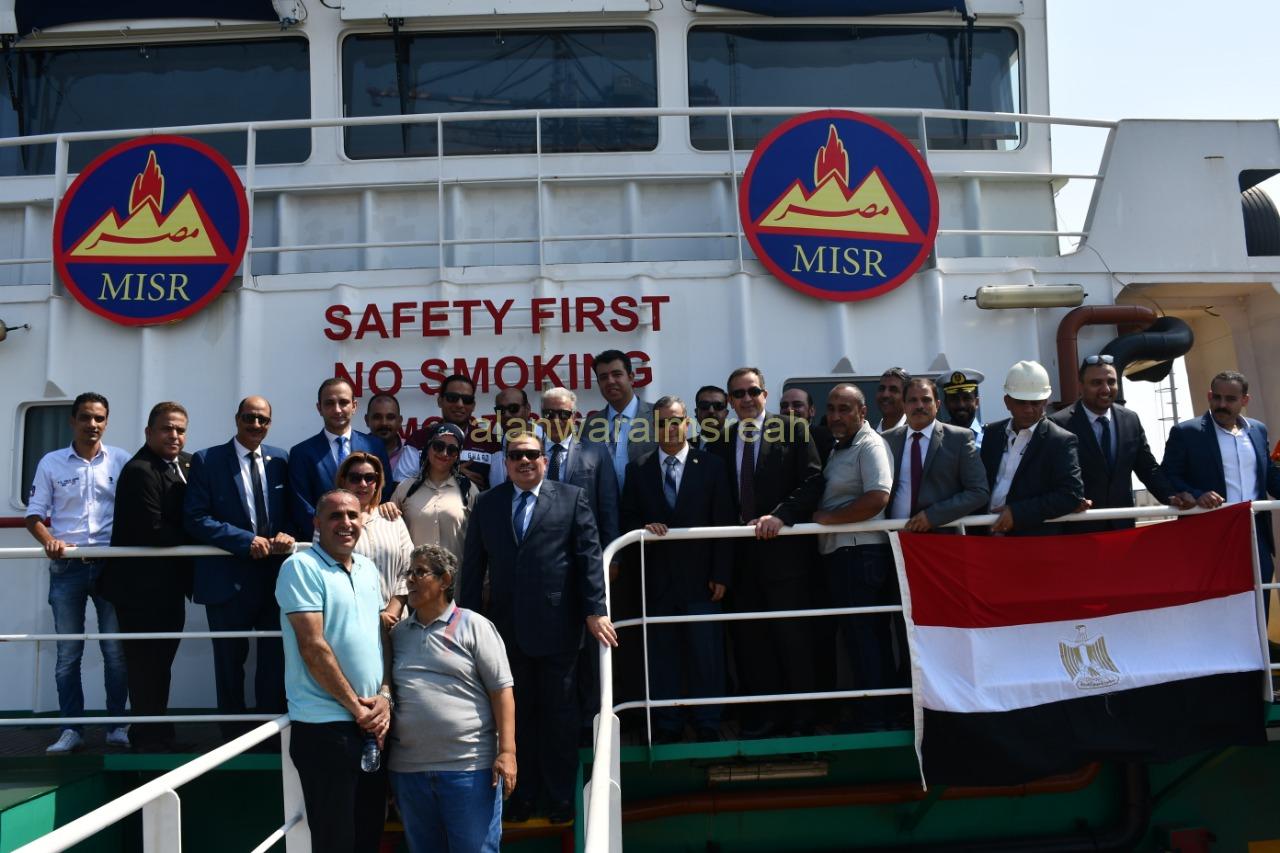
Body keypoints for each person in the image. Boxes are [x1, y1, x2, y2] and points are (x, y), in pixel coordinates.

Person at [459, 433, 616, 824]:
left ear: (545, 460)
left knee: (559, 718)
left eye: (532, 454)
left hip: (558, 628)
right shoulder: (488, 503)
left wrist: (595, 610)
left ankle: (560, 798)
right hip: (505, 631)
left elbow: (588, 558)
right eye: (516, 455)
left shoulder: (571, 498)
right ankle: (522, 796)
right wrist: (467, 622)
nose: (524, 461)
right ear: (506, 462)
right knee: (517, 717)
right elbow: (474, 566)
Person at [764, 384, 895, 730]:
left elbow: (878, 497)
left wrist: (828, 519)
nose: (836, 416)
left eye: (845, 409)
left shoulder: (870, 445)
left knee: (864, 639)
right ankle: (872, 714)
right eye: (832, 409)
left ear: (863, 412)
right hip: (842, 553)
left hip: (860, 552)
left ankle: (875, 720)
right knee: (856, 638)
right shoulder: (840, 447)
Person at [707, 366, 822, 738]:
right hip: (741, 561)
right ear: (730, 400)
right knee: (751, 643)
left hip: (785, 557)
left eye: (753, 391)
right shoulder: (720, 441)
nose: (747, 399)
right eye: (739, 394)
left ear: (765, 395)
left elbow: (813, 480)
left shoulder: (793, 430)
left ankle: (802, 720)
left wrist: (781, 516)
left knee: (794, 641)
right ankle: (763, 719)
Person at [276, 489, 390, 853]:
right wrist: (358, 710)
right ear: (317, 523)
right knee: (336, 842)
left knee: (368, 837)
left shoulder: (368, 568)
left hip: (371, 726)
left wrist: (385, 697)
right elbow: (313, 648)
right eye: (335, 516)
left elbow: (379, 637)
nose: (346, 523)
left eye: (353, 515)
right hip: (325, 728)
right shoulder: (300, 567)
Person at [620, 396, 734, 743]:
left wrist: (721, 573)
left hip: (702, 579)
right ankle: (667, 722)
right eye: (662, 422)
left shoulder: (712, 466)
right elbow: (628, 518)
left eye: (676, 421)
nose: (669, 428)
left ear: (687, 423)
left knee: (705, 654)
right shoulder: (638, 469)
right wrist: (644, 528)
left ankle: (708, 720)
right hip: (657, 580)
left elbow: (724, 521)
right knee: (662, 654)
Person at [388, 544, 516, 853]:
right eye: (409, 573)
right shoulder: (397, 634)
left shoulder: (475, 626)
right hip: (409, 772)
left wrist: (507, 752)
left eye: (420, 572)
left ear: (445, 580)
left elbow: (501, 691)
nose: (410, 580)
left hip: (469, 769)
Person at [25, 391, 129, 753]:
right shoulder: (51, 462)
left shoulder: (121, 460)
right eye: (85, 417)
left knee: (116, 652)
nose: (92, 424)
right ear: (73, 421)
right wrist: (49, 540)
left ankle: (117, 726)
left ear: (106, 422)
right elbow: (33, 515)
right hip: (67, 566)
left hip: (111, 566)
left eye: (99, 418)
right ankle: (71, 728)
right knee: (68, 653)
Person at [184, 396, 294, 731]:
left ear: (270, 423)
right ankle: (231, 736)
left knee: (274, 660)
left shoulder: (281, 459)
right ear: (237, 419)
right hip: (227, 579)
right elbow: (195, 517)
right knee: (229, 661)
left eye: (263, 419)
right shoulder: (207, 460)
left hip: (274, 578)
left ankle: (268, 732)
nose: (256, 424)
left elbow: (290, 511)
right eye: (249, 417)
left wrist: (286, 534)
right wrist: (244, 540)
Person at [101, 401, 194, 751]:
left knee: (161, 663)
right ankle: (147, 738)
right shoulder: (140, 470)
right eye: (167, 428)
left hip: (169, 587)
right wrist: (201, 534)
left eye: (180, 430)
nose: (174, 435)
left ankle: (157, 732)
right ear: (149, 432)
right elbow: (153, 529)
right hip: (140, 591)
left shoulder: (185, 465)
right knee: (145, 665)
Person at [540, 387, 620, 743]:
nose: (556, 420)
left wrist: (611, 557)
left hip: (586, 564)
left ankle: (591, 722)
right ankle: (558, 721)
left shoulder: (595, 452)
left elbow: (608, 506)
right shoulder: (531, 454)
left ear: (575, 417)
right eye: (549, 414)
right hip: (545, 566)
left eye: (563, 414)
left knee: (590, 646)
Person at [1162, 370, 1280, 597]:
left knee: (1259, 599)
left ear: (1245, 400)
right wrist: (1197, 494)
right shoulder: (1186, 432)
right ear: (1209, 396)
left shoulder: (1258, 430)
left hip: (1256, 533)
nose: (1222, 404)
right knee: (1215, 602)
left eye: (1230, 399)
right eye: (1217, 397)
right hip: (1209, 534)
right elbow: (1168, 476)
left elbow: (1270, 478)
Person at [1050, 355, 1193, 531]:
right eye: (1096, 383)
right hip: (1077, 530)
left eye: (1111, 382)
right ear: (1080, 386)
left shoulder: (1130, 420)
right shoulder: (1058, 424)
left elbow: (1147, 468)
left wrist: (1171, 496)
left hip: (1122, 527)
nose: (1105, 389)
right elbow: (1050, 477)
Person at [979, 361, 1084, 535]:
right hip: (986, 536)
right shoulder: (992, 433)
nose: (1028, 409)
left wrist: (1017, 513)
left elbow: (1070, 495)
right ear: (1007, 402)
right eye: (1021, 402)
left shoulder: (1060, 441)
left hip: (1031, 540)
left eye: (1035, 403)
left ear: (1045, 402)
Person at [882, 378, 989, 532]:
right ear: (904, 405)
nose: (919, 406)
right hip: (894, 535)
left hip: (939, 536)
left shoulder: (959, 438)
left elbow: (979, 492)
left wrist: (933, 516)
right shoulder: (887, 439)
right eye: (913, 400)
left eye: (926, 400)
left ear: (937, 405)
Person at [289, 378, 391, 539]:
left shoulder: (374, 446)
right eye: (329, 403)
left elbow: (384, 492)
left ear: (354, 406)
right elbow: (301, 505)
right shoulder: (301, 453)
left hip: (370, 537)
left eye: (343, 402)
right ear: (319, 408)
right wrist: (328, 536)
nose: (337, 410)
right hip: (323, 542)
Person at [333, 452, 414, 629]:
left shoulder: (393, 519)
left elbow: (408, 568)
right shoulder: (330, 522)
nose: (363, 484)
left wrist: (392, 612)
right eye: (355, 478)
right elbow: (327, 572)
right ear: (343, 481)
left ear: (377, 483)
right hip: (351, 623)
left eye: (370, 478)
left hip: (396, 624)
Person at [391, 422, 477, 564]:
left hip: (456, 577)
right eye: (438, 446)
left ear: (457, 455)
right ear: (428, 447)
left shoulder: (469, 490)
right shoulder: (405, 489)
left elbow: (479, 541)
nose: (444, 453)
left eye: (452, 450)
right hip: (414, 576)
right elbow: (389, 532)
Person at [397, 374, 498, 487]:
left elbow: (502, 488)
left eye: (467, 400)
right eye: (452, 398)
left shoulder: (490, 441)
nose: (460, 404)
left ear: (473, 405)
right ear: (440, 401)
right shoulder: (419, 439)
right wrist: (449, 474)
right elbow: (401, 486)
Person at [580, 349, 657, 490]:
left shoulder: (656, 416)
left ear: (631, 377)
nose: (610, 381)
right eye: (603, 377)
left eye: (617, 374)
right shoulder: (590, 426)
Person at [488, 388, 543, 488]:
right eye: (501, 410)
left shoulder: (550, 442)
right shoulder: (493, 446)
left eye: (513, 408)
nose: (507, 415)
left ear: (527, 409)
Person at [364, 393, 409, 483]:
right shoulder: (355, 450)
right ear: (367, 420)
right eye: (377, 417)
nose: (384, 423)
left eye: (390, 417)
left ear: (400, 421)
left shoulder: (411, 452)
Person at [780, 387, 834, 458]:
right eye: (784, 406)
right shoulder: (774, 438)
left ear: (811, 411)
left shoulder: (824, 437)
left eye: (797, 405)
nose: (789, 409)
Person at [941, 369, 984, 448]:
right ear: (946, 404)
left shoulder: (991, 436)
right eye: (954, 399)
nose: (961, 405)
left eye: (967, 398)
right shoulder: (937, 439)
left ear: (977, 402)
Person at [694, 385, 730, 450]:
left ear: (726, 413)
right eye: (704, 405)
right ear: (696, 412)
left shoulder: (737, 448)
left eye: (718, 406)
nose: (711, 411)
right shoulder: (683, 448)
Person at [875, 367, 910, 433]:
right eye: (882, 389)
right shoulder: (868, 433)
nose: (885, 395)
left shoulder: (915, 434)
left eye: (893, 390)